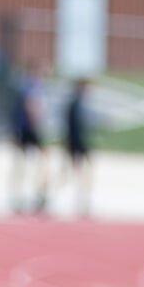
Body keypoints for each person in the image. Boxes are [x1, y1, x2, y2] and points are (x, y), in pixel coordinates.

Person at [9, 64, 49, 213]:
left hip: (26, 129)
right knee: (36, 162)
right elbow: (31, 107)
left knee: (24, 163)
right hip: (30, 129)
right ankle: (36, 194)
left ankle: (23, 195)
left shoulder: (26, 86)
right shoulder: (30, 87)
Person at [60, 78, 93, 217]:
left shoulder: (78, 103)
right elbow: (72, 128)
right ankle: (77, 200)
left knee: (79, 171)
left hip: (77, 142)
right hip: (76, 143)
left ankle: (81, 199)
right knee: (75, 172)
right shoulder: (75, 104)